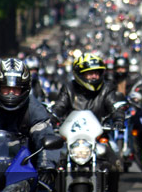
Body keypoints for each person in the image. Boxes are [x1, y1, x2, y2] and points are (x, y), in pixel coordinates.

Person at [52, 53, 125, 192]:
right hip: (71, 138)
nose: (94, 77)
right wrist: (51, 118)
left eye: (96, 73)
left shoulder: (106, 89)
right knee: (52, 161)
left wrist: (119, 119)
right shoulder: (69, 88)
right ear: (79, 74)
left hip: (98, 137)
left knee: (113, 160)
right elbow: (59, 107)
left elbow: (115, 106)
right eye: (89, 73)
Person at [0, 58, 60, 190]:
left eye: (16, 89)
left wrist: (47, 167)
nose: (11, 93)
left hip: (23, 172)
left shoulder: (34, 109)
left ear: (25, 89)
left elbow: (45, 136)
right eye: (6, 88)